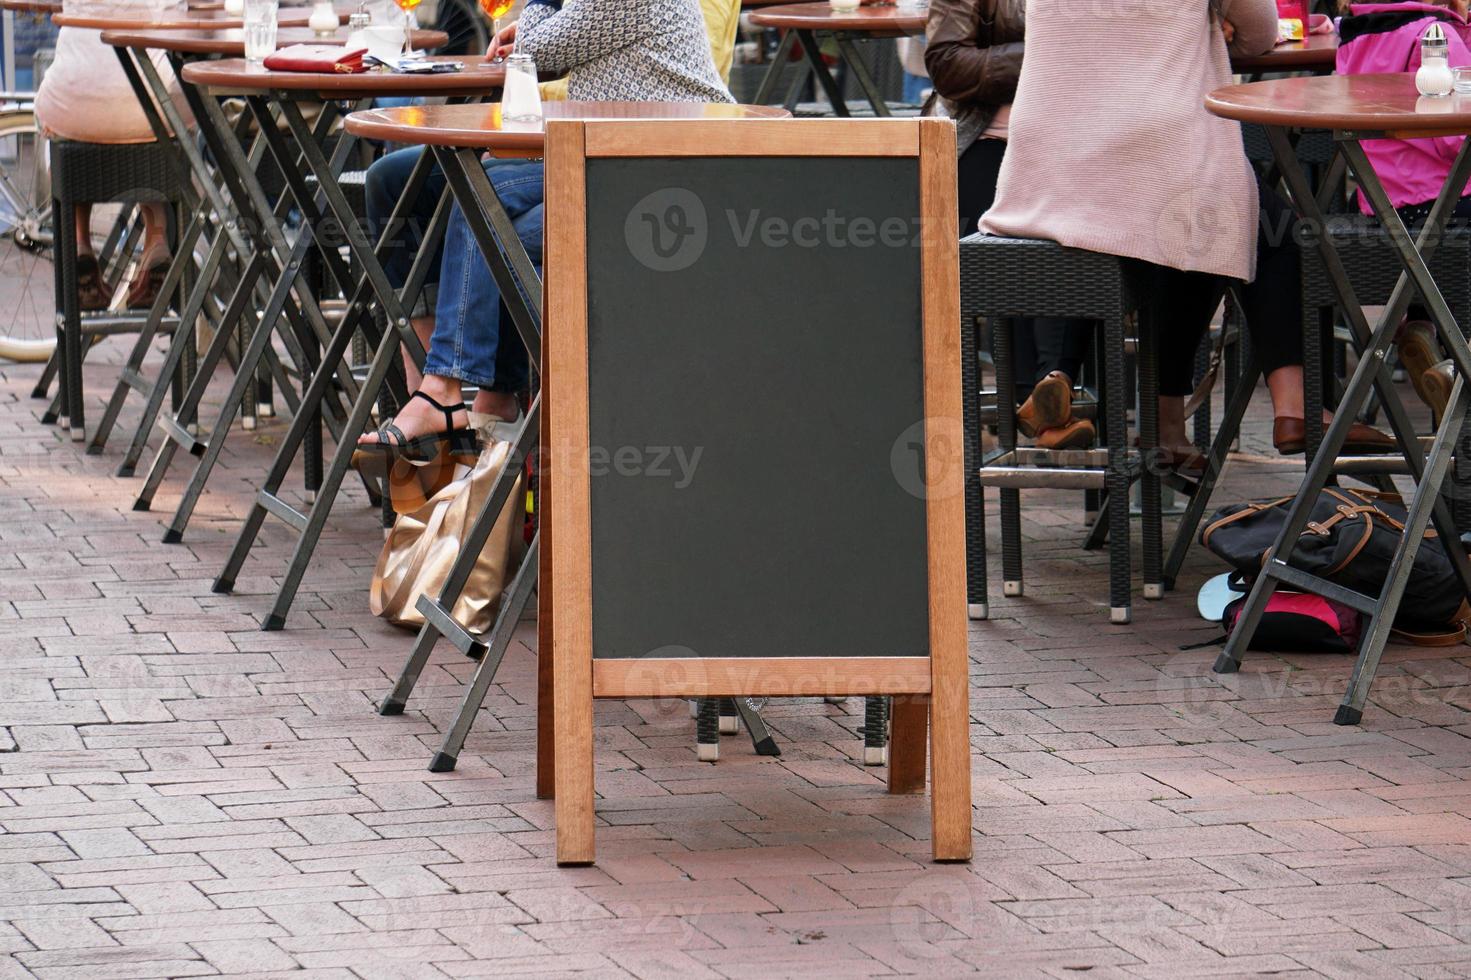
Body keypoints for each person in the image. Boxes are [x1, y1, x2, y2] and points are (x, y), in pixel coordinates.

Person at [978, 0, 1393, 470]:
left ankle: (1108, 401)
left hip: (1051, 169)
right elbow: (1259, 34)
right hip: (1152, 150)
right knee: (1266, 232)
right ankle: (1294, 408)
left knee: (1202, 228)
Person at [359, 0, 736, 456]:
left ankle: (460, 392)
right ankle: (436, 386)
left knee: (483, 200)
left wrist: (541, 9)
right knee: (410, 184)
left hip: (660, 173)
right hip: (587, 151)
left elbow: (536, 56)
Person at [925, 0, 1094, 450]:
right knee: (1026, 228)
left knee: (1070, 216)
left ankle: (1040, 400)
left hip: (1081, 150)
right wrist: (1051, 51)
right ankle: (1047, 394)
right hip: (986, 143)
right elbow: (948, 67)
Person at [1336, 0, 1471, 424]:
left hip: (1384, 211)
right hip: (1449, 210)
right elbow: (1455, 136)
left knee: (1434, 264)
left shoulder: (1354, 37)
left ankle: (1423, 330)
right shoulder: (1435, 37)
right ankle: (1460, 363)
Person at [34, 0, 182, 310]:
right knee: (158, 117)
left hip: (71, 105)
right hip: (154, 108)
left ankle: (79, 243)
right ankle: (157, 236)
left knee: (76, 126)